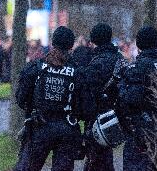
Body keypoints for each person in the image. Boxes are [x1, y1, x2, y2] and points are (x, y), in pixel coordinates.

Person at [14, 26, 82, 171]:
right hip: (67, 129)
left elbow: (21, 99)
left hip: (39, 127)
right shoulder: (77, 71)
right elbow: (84, 106)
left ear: (52, 43)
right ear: (71, 45)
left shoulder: (36, 67)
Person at [117, 26, 157, 171]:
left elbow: (131, 99)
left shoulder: (137, 67)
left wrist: (122, 89)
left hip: (140, 130)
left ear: (139, 44)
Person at [80, 23, 128, 171]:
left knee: (97, 159)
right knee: (105, 158)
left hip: (97, 119)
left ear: (94, 40)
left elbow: (87, 93)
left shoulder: (95, 63)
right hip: (117, 117)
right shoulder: (120, 59)